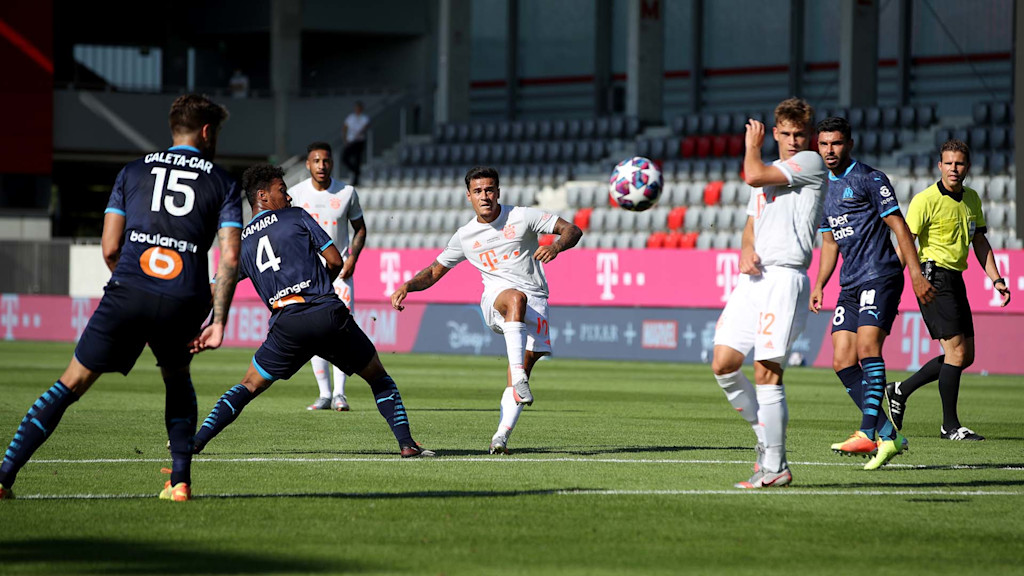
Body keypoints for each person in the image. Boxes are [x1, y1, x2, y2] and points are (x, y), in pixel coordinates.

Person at [0, 94, 242, 502]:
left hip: (129, 289)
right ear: (206, 132)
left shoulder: (131, 172)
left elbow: (110, 248)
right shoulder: (223, 182)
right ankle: (179, 482)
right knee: (177, 379)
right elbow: (230, 256)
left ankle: (4, 476)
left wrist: (133, 288)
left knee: (71, 383)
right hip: (184, 296)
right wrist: (218, 322)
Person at [190, 164, 433, 460]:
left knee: (249, 385)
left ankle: (196, 441)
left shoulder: (241, 244)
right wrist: (319, 286)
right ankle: (407, 443)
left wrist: (196, 323)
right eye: (282, 190)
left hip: (287, 325)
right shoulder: (297, 216)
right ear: (263, 196)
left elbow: (219, 287)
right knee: (380, 379)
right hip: (326, 314)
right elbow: (334, 261)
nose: (289, 197)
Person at [390, 166, 582, 454]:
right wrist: (407, 286)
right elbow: (433, 272)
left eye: (490, 189)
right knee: (516, 300)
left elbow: (572, 229)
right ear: (469, 196)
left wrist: (555, 247)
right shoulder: (465, 235)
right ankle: (517, 377)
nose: (485, 196)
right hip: (497, 299)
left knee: (523, 373)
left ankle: (500, 437)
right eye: (478, 191)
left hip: (537, 300)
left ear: (498, 192)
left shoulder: (522, 216)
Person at [711, 98, 826, 489]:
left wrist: (751, 145)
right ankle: (765, 441)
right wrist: (746, 248)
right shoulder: (770, 173)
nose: (794, 141)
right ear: (777, 131)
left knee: (766, 372)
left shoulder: (809, 164)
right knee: (723, 364)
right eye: (787, 134)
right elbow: (751, 221)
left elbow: (753, 175)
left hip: (785, 279)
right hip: (754, 281)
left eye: (800, 135)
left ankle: (775, 465)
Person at [810, 116, 935, 471]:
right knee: (841, 361)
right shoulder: (823, 189)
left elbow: (900, 226)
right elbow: (830, 241)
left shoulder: (870, 178)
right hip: (849, 283)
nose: (829, 150)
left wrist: (914, 272)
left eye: (835, 143)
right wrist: (820, 283)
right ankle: (887, 433)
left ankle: (867, 430)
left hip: (880, 276)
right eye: (823, 144)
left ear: (848, 143)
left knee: (867, 348)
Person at [884, 139, 1011, 440]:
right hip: (932, 278)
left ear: (967, 167)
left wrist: (997, 279)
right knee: (955, 353)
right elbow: (906, 242)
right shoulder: (924, 200)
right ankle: (949, 426)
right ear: (939, 165)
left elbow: (979, 242)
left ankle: (900, 390)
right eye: (949, 163)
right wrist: (891, 287)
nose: (954, 168)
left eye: (960, 163)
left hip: (956, 279)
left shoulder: (972, 200)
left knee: (965, 356)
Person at [288, 141, 366, 412]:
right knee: (313, 332)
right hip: (309, 276)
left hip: (341, 274)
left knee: (341, 331)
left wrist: (353, 257)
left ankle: (340, 395)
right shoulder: (295, 194)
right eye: (316, 161)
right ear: (308, 164)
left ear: (332, 163)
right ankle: (324, 394)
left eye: (326, 161)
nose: (322, 165)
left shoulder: (346, 192)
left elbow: (360, 229)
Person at [341, 101, 370, 185]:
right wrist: (345, 138)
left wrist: (359, 133)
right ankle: (356, 171)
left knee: (357, 160)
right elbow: (345, 127)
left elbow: (365, 127)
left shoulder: (364, 118)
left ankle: (356, 180)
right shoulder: (351, 117)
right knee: (345, 158)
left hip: (359, 141)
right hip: (351, 141)